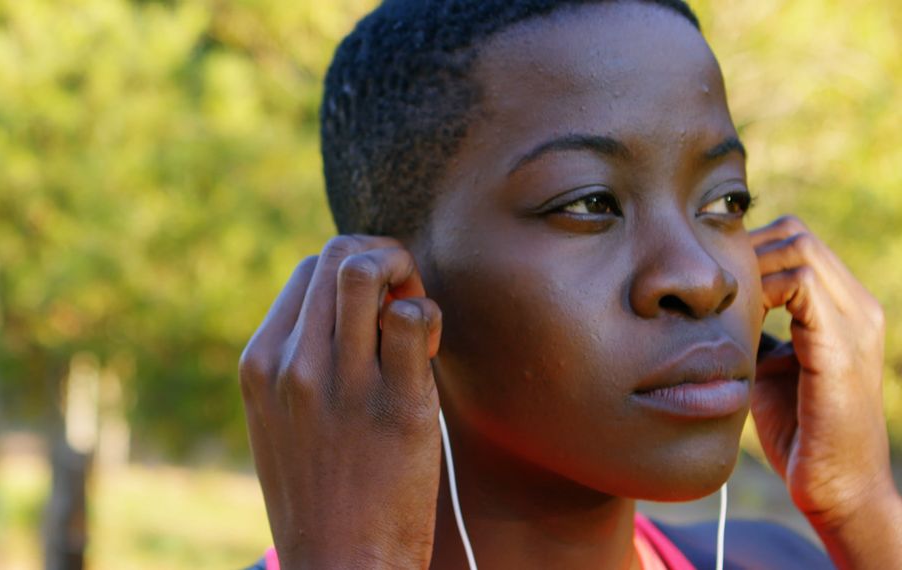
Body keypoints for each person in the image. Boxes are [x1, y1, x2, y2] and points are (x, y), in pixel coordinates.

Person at [238, 0, 902, 568]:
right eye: (588, 203)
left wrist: (861, 507)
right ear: (390, 290)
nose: (704, 278)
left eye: (725, 202)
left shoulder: (779, 558)